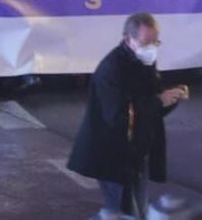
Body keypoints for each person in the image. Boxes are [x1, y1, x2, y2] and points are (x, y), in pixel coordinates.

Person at [67, 12, 187, 220]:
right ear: (128, 39)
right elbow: (119, 113)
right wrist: (160, 100)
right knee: (123, 211)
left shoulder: (144, 63)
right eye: (146, 41)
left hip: (136, 151)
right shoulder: (111, 68)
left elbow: (150, 108)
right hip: (111, 152)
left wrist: (171, 99)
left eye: (155, 41)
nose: (151, 47)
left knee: (134, 211)